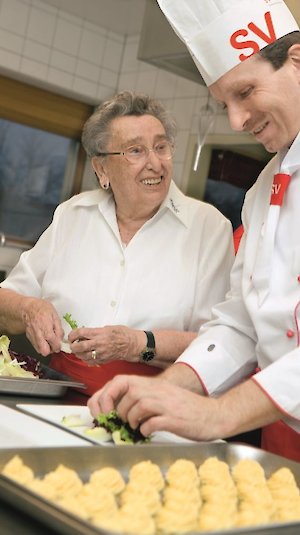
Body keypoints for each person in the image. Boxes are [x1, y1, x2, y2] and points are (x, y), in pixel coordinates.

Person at [88, 1, 300, 462]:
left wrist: (219, 414)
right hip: (284, 437)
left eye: (245, 92)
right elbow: (242, 323)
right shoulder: (263, 191)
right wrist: (164, 390)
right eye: (224, 103)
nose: (236, 121)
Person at [0, 91, 234, 395]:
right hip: (56, 390)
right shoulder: (74, 213)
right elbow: (7, 299)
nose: (155, 163)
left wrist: (137, 344)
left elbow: (219, 343)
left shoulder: (209, 227)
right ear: (101, 169)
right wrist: (29, 308)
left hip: (149, 401)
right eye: (135, 151)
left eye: (161, 147)